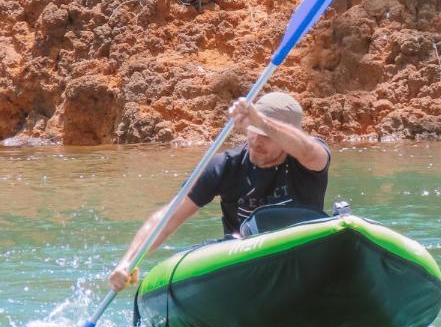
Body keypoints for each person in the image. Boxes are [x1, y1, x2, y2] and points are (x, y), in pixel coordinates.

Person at [108, 91, 330, 290]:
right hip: (245, 262)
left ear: (286, 138)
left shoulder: (308, 161)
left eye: (267, 135)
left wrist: (260, 120)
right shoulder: (225, 165)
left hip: (301, 257)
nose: (257, 141)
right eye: (253, 130)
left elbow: (308, 149)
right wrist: (129, 262)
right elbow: (169, 217)